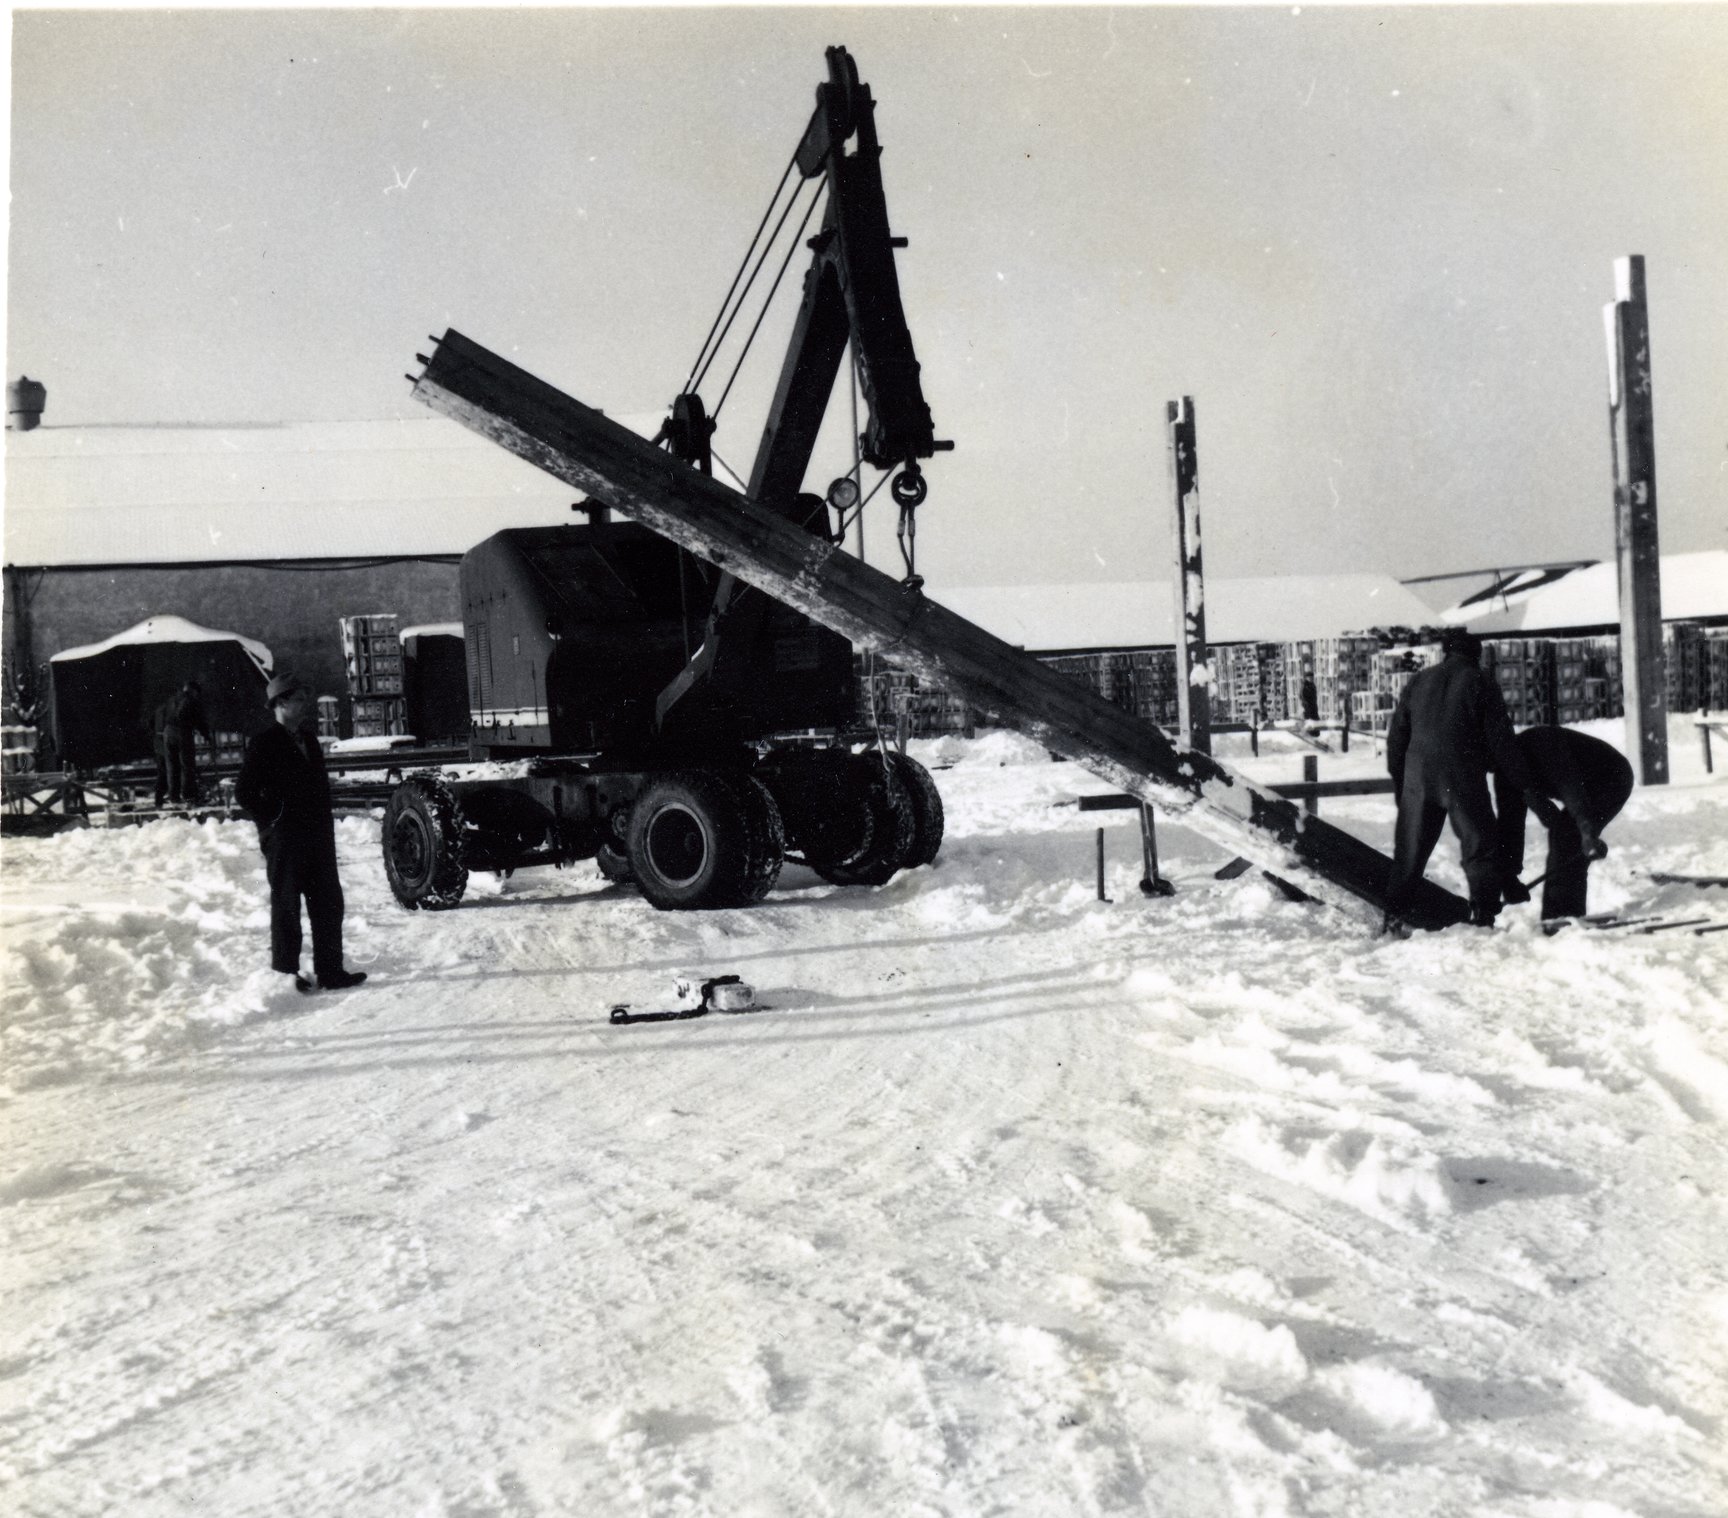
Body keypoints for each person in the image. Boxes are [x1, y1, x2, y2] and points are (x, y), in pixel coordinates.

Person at [1382, 627, 1560, 932]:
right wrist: (1526, 785)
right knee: (1480, 845)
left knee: (1410, 852)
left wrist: (1403, 786)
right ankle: (1483, 915)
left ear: (1446, 651)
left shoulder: (1419, 680)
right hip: (1460, 776)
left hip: (1417, 776)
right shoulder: (1480, 681)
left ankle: (1394, 917)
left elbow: (1397, 738)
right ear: (1475, 655)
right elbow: (1502, 743)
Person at [234, 673, 368, 993]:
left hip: (317, 839)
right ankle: (286, 975)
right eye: (298, 700)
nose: (305, 706)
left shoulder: (309, 740)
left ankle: (331, 971)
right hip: (285, 841)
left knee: (328, 904)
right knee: (286, 907)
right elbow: (244, 792)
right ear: (280, 704)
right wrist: (273, 820)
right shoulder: (264, 743)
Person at [1495, 726, 1633, 922]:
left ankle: (1564, 917)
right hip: (1584, 787)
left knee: (1568, 837)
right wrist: (1508, 878)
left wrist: (1587, 833)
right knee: (1563, 834)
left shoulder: (1542, 744)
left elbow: (1573, 792)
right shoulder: (1504, 771)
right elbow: (1510, 826)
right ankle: (1557, 918)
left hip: (1612, 776)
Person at [159, 680, 213, 805]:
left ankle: (174, 797)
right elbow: (199, 720)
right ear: (193, 691)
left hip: (167, 732)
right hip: (182, 733)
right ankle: (188, 795)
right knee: (187, 765)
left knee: (172, 766)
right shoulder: (192, 701)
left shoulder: (172, 699)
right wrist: (206, 736)